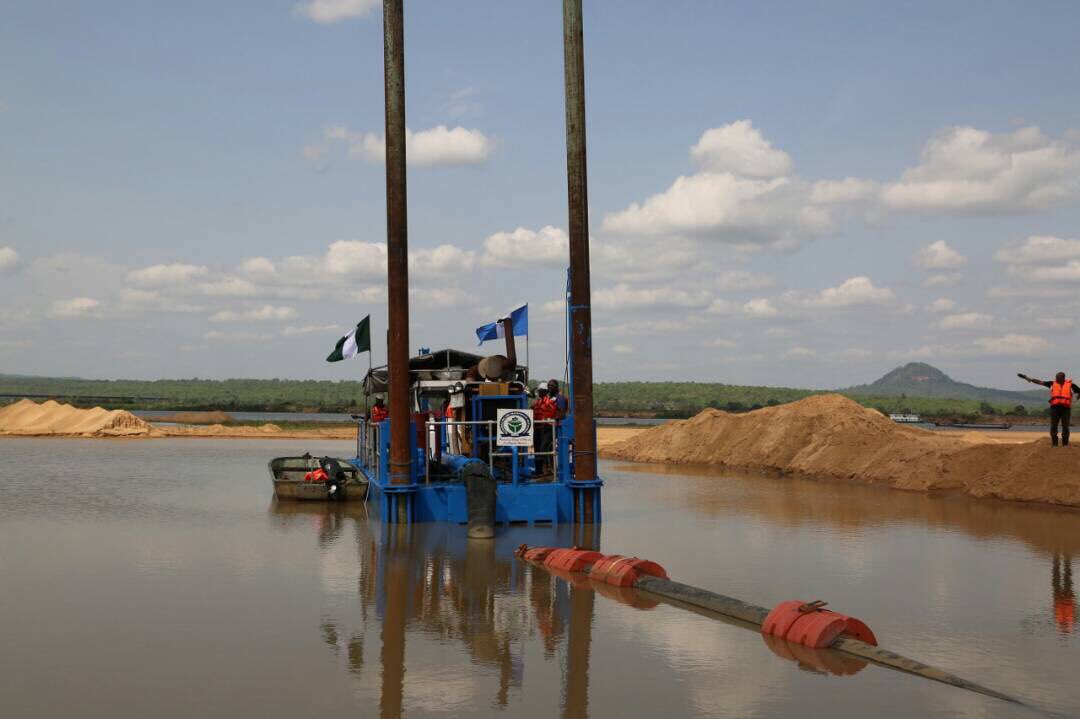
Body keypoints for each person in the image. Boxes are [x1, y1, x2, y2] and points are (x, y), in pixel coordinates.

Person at [1018, 371, 1080, 446]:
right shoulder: (1052, 383)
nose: (1056, 379)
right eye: (1056, 377)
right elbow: (1040, 382)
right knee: (1053, 426)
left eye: (1058, 378)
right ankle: (1055, 444)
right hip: (1055, 408)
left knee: (1065, 427)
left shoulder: (1071, 385)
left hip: (1066, 409)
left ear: (1063, 378)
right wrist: (1028, 378)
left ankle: (1065, 445)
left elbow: (1079, 392)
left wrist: (1075, 400)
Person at [532, 385, 555, 474]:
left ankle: (548, 470)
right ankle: (538, 470)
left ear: (545, 391)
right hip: (537, 429)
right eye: (538, 391)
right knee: (537, 449)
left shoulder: (548, 401)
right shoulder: (538, 402)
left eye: (540, 391)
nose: (539, 392)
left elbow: (552, 412)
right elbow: (533, 409)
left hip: (545, 429)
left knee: (544, 449)